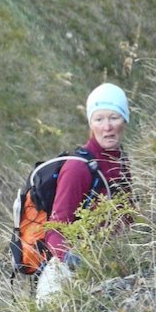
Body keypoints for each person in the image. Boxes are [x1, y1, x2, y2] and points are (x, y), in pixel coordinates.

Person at [37, 82, 133, 300]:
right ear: (91, 123)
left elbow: (127, 214)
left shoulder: (121, 160)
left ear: (125, 119)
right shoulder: (77, 168)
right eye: (99, 119)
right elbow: (54, 229)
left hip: (113, 261)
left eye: (114, 117)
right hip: (71, 272)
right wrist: (74, 260)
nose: (107, 127)